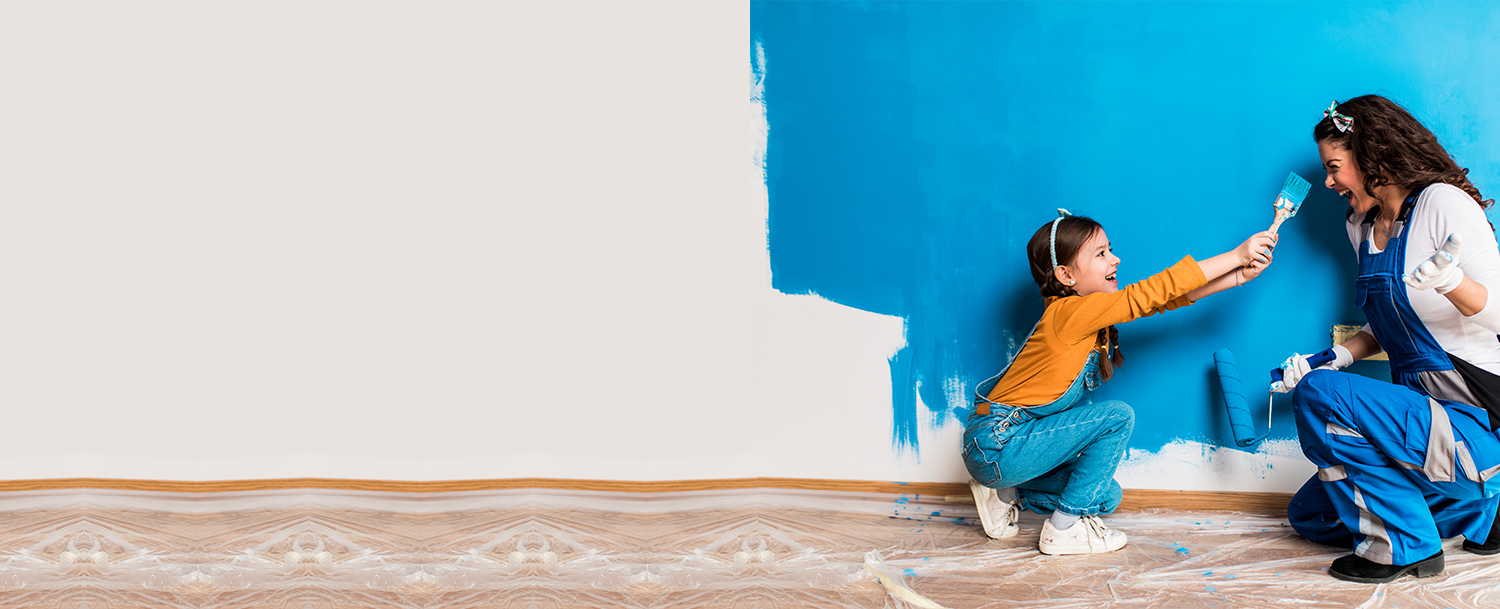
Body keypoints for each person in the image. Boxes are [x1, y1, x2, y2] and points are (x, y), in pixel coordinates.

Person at [1275, 95, 1500, 583]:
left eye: (1334, 168)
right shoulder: (1361, 226)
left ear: (1372, 156)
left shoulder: (1443, 205)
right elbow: (1394, 324)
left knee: (1319, 398)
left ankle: (1407, 547)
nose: (1329, 182)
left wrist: (1452, 284)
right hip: (1419, 426)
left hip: (1475, 427)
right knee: (1311, 516)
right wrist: (1332, 358)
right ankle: (1481, 512)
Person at [963, 209, 1275, 555]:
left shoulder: (1087, 315)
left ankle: (1006, 493)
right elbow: (1150, 293)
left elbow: (1164, 301)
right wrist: (1235, 256)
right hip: (998, 443)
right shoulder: (1069, 314)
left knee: (1106, 494)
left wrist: (1237, 277)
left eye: (1110, 249)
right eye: (1101, 254)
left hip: (1006, 448)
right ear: (1066, 275)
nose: (1115, 259)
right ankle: (1062, 531)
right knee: (1117, 416)